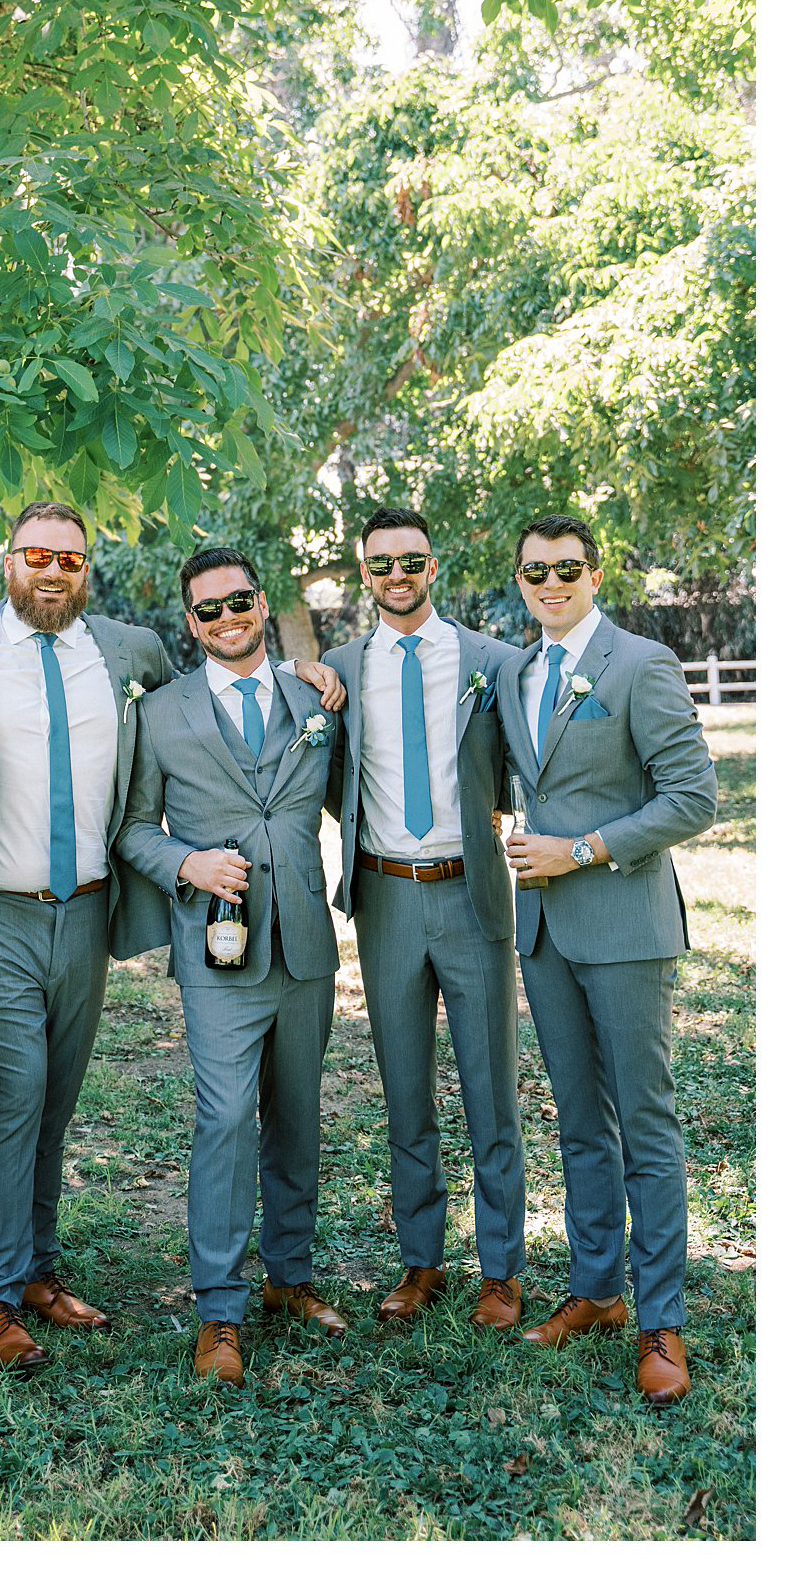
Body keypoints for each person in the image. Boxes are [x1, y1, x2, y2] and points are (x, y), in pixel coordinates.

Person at [0, 500, 175, 1370]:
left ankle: (37, 1275)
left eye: (71, 559)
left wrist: (313, 682)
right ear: (6, 559)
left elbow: (203, 707)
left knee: (54, 1099)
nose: (53, 571)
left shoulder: (131, 653)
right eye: (35, 555)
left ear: (88, 569)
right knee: (10, 1095)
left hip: (88, 910)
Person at [499, 513, 716, 1405]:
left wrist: (580, 849)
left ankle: (661, 1320)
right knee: (581, 1123)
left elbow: (694, 796)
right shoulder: (514, 671)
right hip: (544, 932)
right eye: (534, 571)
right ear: (518, 579)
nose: (551, 584)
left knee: (646, 1126)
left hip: (625, 925)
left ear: (596, 572)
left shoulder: (641, 664)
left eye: (567, 569)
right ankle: (597, 1292)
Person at [117, 547, 345, 1386]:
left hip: (306, 947)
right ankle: (219, 1307)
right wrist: (188, 864)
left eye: (238, 601)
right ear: (190, 623)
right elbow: (135, 827)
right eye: (207, 610)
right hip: (218, 952)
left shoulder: (314, 696)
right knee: (223, 1122)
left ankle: (290, 1279)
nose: (225, 618)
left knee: (298, 1116)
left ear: (260, 600)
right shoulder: (163, 713)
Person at [324, 506, 527, 1332]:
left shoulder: (492, 662)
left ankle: (503, 1271)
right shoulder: (337, 668)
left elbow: (524, 756)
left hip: (472, 892)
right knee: (404, 1088)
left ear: (432, 564)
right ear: (363, 573)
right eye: (380, 564)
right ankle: (422, 1262)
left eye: (411, 560)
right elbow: (327, 770)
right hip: (386, 897)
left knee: (492, 1091)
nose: (396, 576)